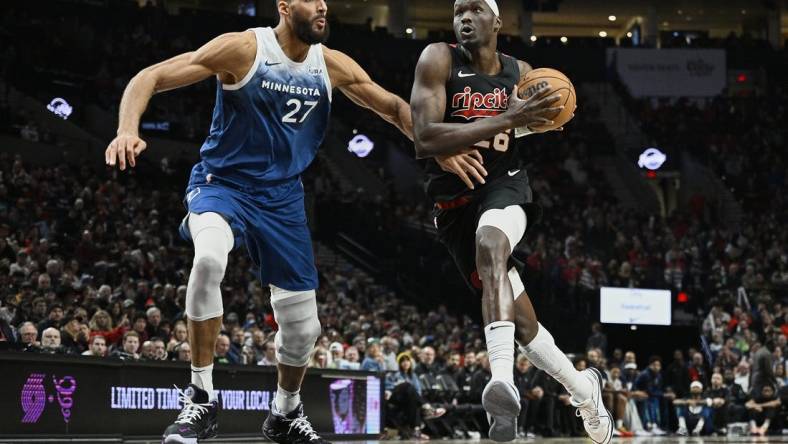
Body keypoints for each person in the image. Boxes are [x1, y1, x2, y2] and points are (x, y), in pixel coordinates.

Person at [104, 0, 420, 442]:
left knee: (304, 327)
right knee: (210, 259)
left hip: (283, 199)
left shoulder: (330, 64)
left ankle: (285, 413)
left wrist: (441, 147)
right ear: (286, 7)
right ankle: (200, 396)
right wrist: (126, 129)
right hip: (224, 184)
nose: (324, 5)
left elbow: (392, 107)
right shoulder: (244, 49)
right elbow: (149, 76)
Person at [409, 0, 608, 442]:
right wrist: (508, 117)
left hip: (505, 187)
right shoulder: (438, 59)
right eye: (459, 10)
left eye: (476, 9)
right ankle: (584, 389)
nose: (464, 17)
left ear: (497, 21)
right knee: (526, 327)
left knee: (492, 244)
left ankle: (501, 381)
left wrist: (538, 121)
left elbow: (524, 126)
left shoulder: (520, 72)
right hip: (453, 207)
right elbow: (424, 137)